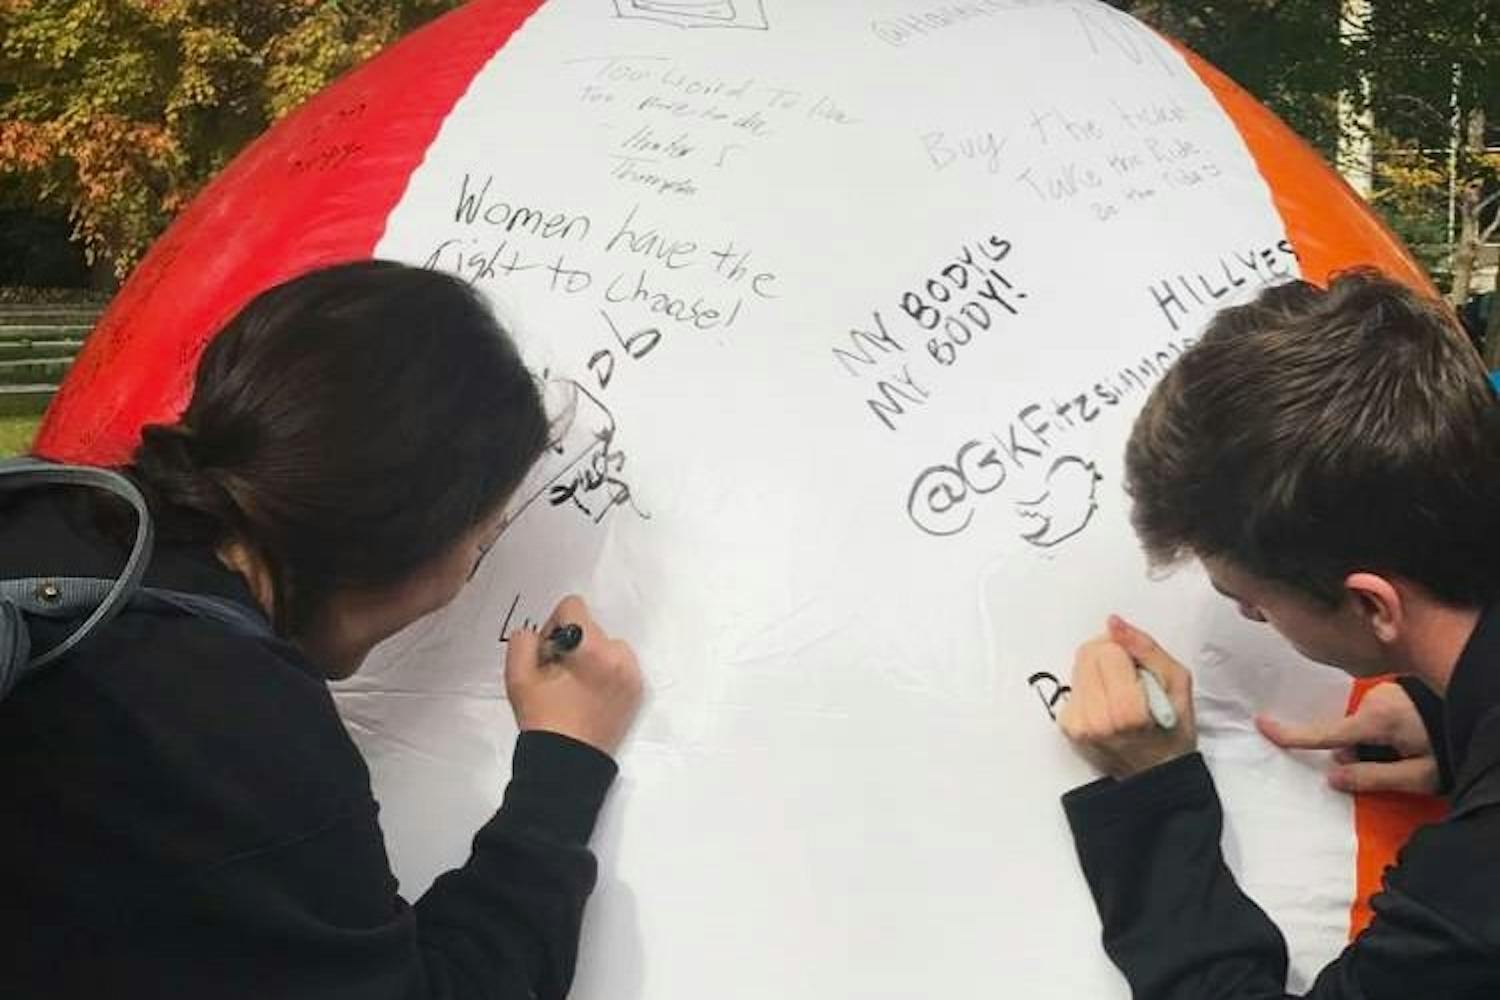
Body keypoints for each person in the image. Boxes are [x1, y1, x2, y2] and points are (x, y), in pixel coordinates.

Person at [0, 261, 643, 999]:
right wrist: (563, 770)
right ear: (413, 535)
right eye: (481, 541)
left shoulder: (44, 507)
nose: (470, 574)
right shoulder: (239, 730)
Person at [1057, 269, 1500, 997]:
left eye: (1251, 603)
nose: (1250, 620)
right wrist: (1453, 713)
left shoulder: (1475, 885)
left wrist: (1152, 798)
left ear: (1372, 606)